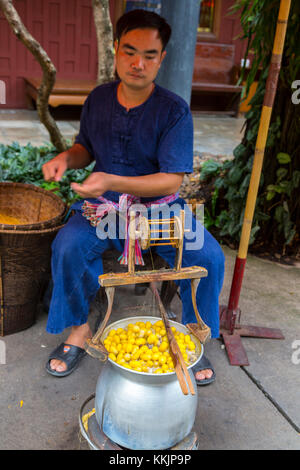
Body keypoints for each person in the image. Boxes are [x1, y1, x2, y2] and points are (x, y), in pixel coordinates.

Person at [42, 9, 225, 384]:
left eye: (150, 55)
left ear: (162, 59)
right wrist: (66, 158)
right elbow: (85, 149)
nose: (137, 63)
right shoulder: (99, 99)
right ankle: (80, 328)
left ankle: (193, 334)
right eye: (129, 51)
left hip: (160, 211)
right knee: (67, 247)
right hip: (104, 209)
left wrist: (112, 177)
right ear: (115, 49)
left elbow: (171, 182)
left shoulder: (174, 110)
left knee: (209, 256)